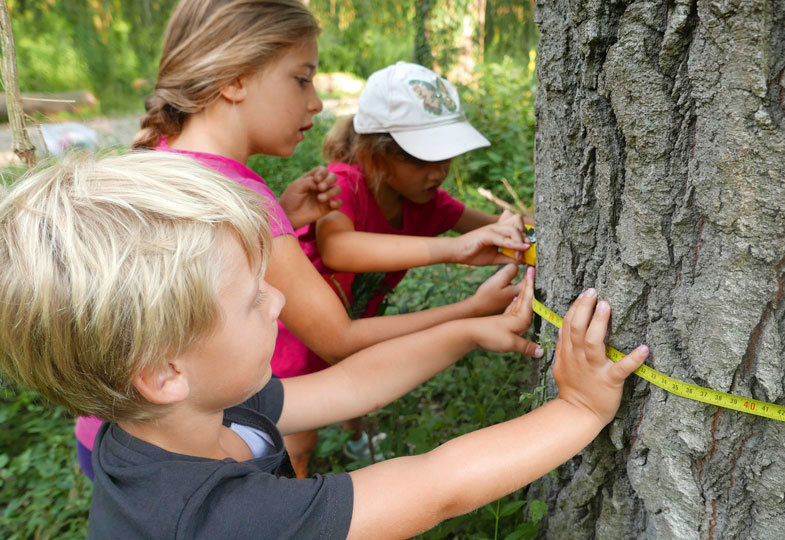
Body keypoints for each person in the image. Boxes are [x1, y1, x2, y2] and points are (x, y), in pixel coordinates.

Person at [0, 151, 650, 539]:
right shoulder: (219, 521)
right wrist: (577, 411)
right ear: (165, 372)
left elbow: (346, 388)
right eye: (254, 300)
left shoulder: (179, 417)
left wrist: (465, 330)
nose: (278, 301)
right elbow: (434, 486)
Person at [74, 0, 531, 478]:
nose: (315, 101)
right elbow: (339, 340)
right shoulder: (237, 196)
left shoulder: (162, 163)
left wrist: (283, 221)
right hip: (189, 458)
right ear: (233, 79)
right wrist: (471, 311)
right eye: (302, 78)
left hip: (110, 438)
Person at [276, 61, 534, 474]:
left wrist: (514, 228)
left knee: (355, 382)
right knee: (296, 436)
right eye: (421, 160)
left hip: (356, 323)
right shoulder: (344, 184)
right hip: (295, 330)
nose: (437, 173)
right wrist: (454, 249)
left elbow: (492, 226)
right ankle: (289, 500)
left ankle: (355, 441)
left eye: (446, 159)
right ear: (374, 154)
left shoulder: (428, 203)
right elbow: (340, 248)